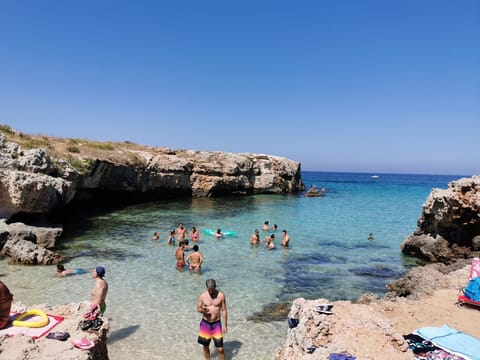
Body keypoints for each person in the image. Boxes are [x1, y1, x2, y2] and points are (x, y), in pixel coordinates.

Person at [197, 279, 227, 360]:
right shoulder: (202, 296)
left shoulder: (221, 296)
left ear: (215, 287)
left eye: (212, 290)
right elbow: (198, 308)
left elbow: (224, 310)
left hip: (216, 324)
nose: (210, 292)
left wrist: (225, 325)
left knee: (220, 348)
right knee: (205, 346)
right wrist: (202, 310)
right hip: (205, 324)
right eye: (209, 290)